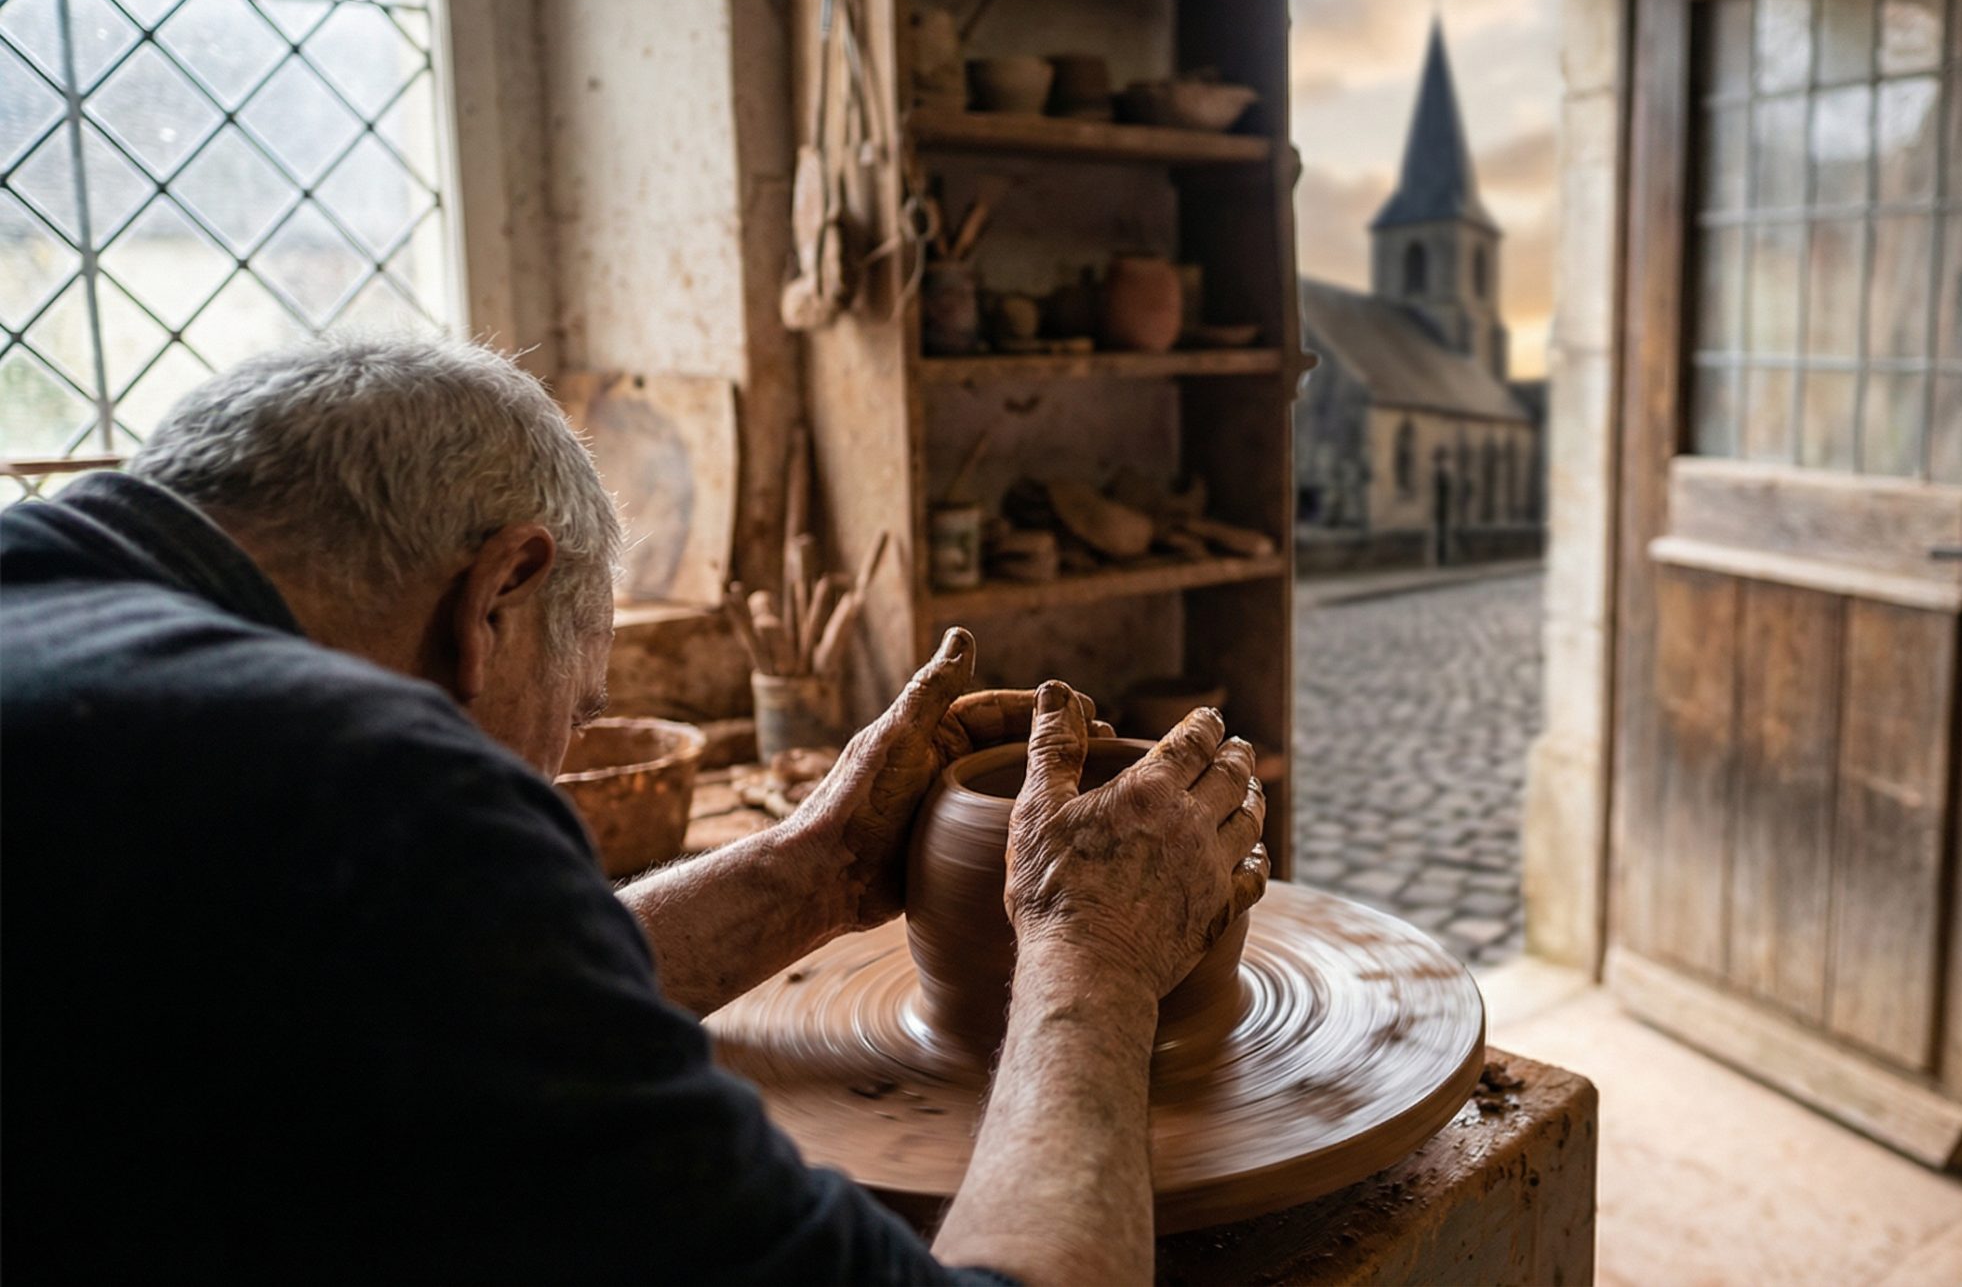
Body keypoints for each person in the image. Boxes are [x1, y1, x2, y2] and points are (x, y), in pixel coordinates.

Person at [0, 333, 1267, 1285]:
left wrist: (812, 871)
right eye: (577, 702)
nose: (552, 763)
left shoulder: (74, 650)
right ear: (496, 596)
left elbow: (420, 1000)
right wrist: (1091, 951)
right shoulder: (361, 777)